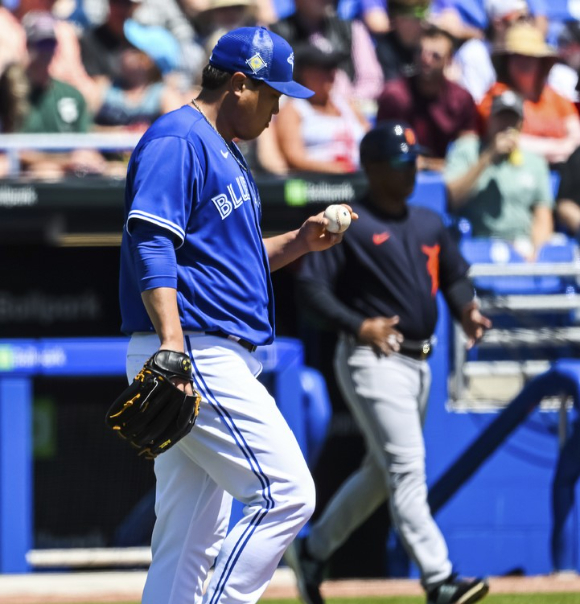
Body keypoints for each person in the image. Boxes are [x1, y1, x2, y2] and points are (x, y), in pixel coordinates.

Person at [119, 26, 357, 604]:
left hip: (201, 349)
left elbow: (234, 263)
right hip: (192, 349)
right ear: (241, 84)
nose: (278, 110)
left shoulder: (222, 148)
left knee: (189, 540)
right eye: (274, 95)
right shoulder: (179, 139)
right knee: (286, 493)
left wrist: (300, 241)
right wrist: (172, 349)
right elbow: (151, 241)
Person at [287, 120, 491, 604]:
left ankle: (314, 551)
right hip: (371, 357)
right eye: (401, 162)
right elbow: (310, 288)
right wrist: (359, 325)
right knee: (407, 468)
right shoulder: (351, 223)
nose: (411, 170)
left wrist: (467, 310)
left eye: (414, 160)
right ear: (373, 168)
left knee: (382, 474)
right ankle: (439, 578)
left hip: (420, 363)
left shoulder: (427, 221)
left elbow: (455, 275)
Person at [445, 90, 554, 260]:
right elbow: (451, 197)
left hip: (522, 245)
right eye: (501, 117)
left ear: (521, 123)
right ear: (489, 120)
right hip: (477, 244)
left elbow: (542, 215)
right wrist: (488, 157)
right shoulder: (467, 149)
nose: (506, 125)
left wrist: (536, 252)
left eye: (512, 118)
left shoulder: (535, 162)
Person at [376, 25, 477, 170]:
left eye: (435, 55)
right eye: (420, 52)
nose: (425, 59)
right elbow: (384, 152)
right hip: (400, 177)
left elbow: (468, 153)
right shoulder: (395, 96)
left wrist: (428, 164)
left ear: (449, 60)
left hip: (447, 178)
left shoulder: (461, 99)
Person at [478, 22, 580, 165]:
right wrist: (561, 148)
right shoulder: (496, 96)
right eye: (518, 56)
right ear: (507, 61)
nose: (524, 62)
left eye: (531, 57)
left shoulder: (554, 96)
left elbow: (576, 136)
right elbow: (505, 140)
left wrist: (553, 150)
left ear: (541, 62)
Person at [275, 42, 369, 174]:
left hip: (358, 177)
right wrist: (339, 170)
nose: (331, 74)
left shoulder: (347, 105)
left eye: (333, 67)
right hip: (318, 185)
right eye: (324, 68)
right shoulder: (293, 109)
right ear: (304, 72)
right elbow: (294, 157)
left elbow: (371, 141)